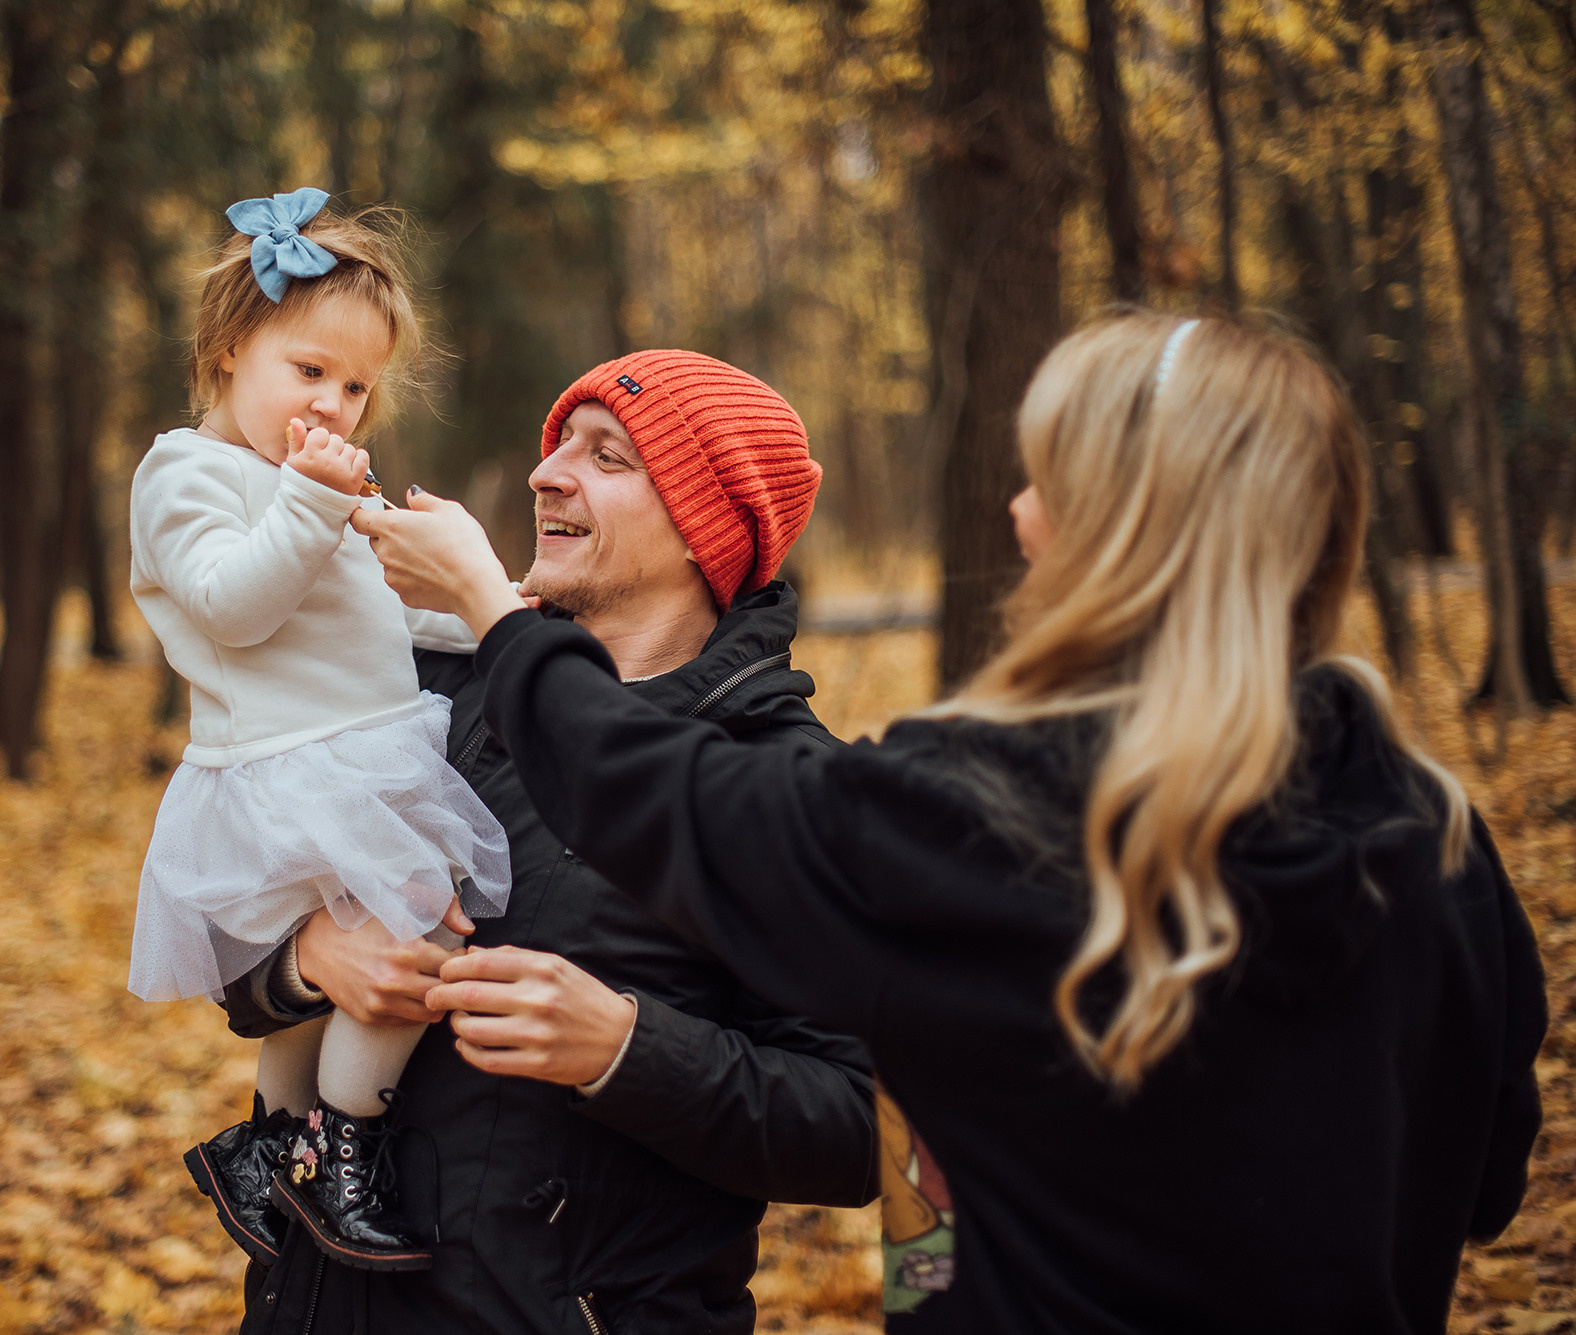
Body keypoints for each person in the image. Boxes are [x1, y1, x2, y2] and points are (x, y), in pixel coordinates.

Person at [359, 313, 1549, 1333]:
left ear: (1127, 531)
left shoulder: (993, 813)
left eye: (1048, 483)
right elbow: (1484, 1182)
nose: (1019, 516)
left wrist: (494, 615)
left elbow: (670, 806)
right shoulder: (1439, 843)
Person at [222, 349, 879, 1333]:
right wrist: (303, 960)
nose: (545, 473)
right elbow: (225, 924)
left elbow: (860, 1127)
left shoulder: (788, 786)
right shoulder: (426, 691)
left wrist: (622, 1048)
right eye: (559, 443)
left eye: (607, 456)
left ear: (705, 528)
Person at [126, 187, 512, 1273]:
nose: (335, 404)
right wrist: (308, 502)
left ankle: (270, 1147)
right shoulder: (185, 473)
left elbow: (378, 606)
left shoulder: (300, 478)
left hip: (355, 749)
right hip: (287, 768)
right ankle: (346, 1147)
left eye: (356, 386)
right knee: (423, 933)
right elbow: (229, 604)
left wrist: (497, 611)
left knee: (332, 980)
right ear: (227, 350)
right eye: (310, 370)